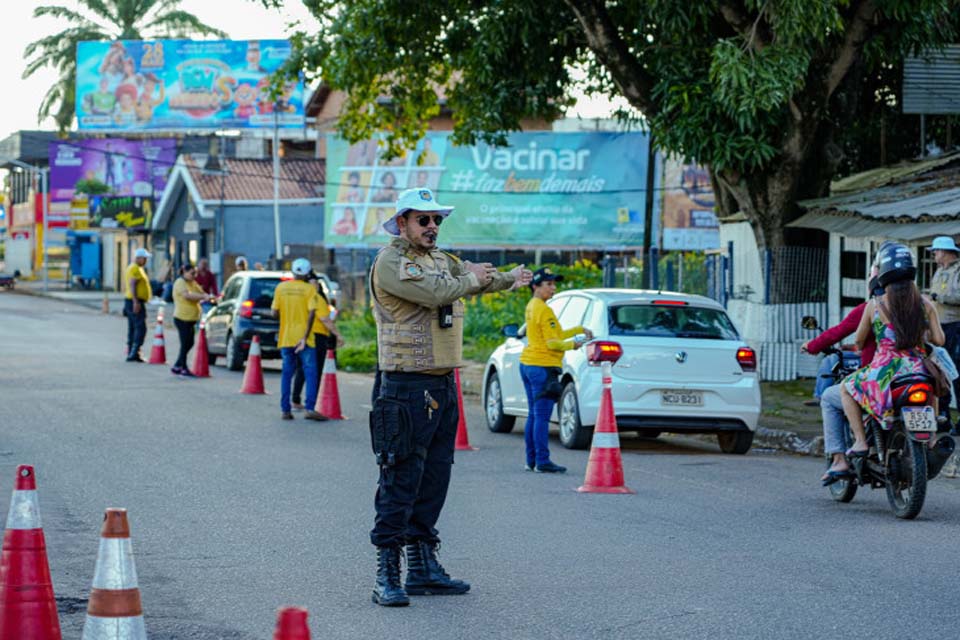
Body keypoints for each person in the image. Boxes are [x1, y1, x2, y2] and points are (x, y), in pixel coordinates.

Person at [368, 187, 531, 607]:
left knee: (436, 476)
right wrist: (470, 277)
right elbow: (440, 291)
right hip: (404, 386)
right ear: (402, 222)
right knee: (400, 478)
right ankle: (388, 571)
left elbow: (475, 281)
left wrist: (511, 278)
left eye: (437, 220)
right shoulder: (391, 262)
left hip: (442, 383)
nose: (433, 227)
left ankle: (422, 566)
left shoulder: (444, 261)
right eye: (424, 219)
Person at [841, 243, 945, 458]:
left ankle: (860, 442)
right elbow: (939, 340)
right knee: (931, 384)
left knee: (845, 387)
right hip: (918, 367)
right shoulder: (926, 304)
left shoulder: (875, 305)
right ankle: (932, 436)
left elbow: (859, 342)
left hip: (885, 372)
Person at [519, 268, 593, 473]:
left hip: (528, 364)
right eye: (548, 284)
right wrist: (574, 345)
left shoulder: (533, 306)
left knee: (534, 415)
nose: (553, 288)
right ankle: (542, 462)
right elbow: (554, 343)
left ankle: (531, 460)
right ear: (535, 286)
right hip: (542, 366)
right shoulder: (544, 309)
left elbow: (556, 333)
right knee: (541, 416)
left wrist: (578, 329)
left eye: (554, 283)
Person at [812, 274, 881, 485]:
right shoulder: (921, 305)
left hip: (879, 374)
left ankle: (843, 456)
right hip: (914, 371)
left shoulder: (873, 306)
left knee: (833, 395)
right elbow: (938, 338)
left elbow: (853, 337)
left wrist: (812, 345)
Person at [271, 258, 327, 422]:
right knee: (311, 373)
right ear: (307, 273)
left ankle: (285, 410)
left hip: (286, 337)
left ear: (293, 272)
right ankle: (310, 408)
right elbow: (311, 314)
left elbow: (274, 312)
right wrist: (304, 337)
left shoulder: (281, 288)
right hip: (305, 339)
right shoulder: (310, 290)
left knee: (287, 373)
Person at [292, 271, 345, 410]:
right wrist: (338, 335)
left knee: (302, 369)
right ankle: (313, 403)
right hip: (316, 337)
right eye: (313, 282)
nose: (316, 285)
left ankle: (296, 399)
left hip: (301, 335)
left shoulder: (301, 297)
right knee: (314, 370)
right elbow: (325, 319)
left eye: (316, 282)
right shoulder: (316, 298)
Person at [927, 236, 960, 425]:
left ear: (946, 252)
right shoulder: (939, 271)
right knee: (940, 372)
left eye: (937, 251)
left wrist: (938, 296)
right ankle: (944, 416)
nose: (934, 255)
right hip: (940, 327)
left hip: (956, 325)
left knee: (956, 371)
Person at [171, 264, 212, 377]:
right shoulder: (180, 283)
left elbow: (201, 292)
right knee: (185, 343)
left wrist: (208, 296)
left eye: (195, 273)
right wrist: (203, 297)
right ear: (184, 272)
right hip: (182, 318)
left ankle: (177, 365)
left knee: (190, 342)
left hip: (191, 319)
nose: (194, 276)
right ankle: (183, 367)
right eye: (192, 273)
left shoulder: (192, 283)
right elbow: (187, 296)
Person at [124, 248, 152, 362]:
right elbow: (133, 284)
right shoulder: (135, 268)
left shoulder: (136, 268)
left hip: (132, 300)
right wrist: (136, 301)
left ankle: (132, 351)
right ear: (139, 258)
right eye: (144, 258)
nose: (145, 261)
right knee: (140, 327)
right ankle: (135, 351)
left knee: (133, 327)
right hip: (135, 301)